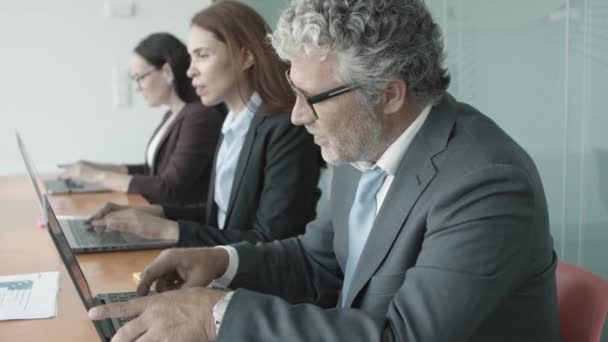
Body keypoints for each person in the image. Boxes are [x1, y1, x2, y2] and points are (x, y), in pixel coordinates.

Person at [88, 0, 562, 341]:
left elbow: (401, 336)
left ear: (389, 93)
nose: (296, 115)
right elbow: (317, 261)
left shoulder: (486, 184)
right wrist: (222, 261)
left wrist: (217, 316)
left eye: (310, 97)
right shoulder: (365, 142)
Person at [85, 1, 322, 247]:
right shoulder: (231, 122)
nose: (190, 71)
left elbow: (271, 241)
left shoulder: (286, 129)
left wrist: (168, 230)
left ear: (246, 56)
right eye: (191, 57)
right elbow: (218, 218)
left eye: (203, 55)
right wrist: (151, 214)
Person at [59, 33, 225, 205]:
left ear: (168, 72)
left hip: (179, 223)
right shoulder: (172, 115)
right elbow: (151, 171)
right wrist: (93, 167)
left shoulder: (200, 118)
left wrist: (97, 176)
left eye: (140, 78)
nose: (138, 88)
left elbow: (169, 187)